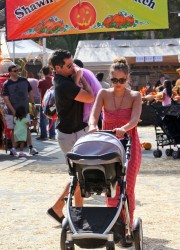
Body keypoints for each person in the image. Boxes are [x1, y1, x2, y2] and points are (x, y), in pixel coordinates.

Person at [88, 57, 142, 230]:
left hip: (129, 143)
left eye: (122, 80)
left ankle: (127, 223)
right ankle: (113, 224)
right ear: (110, 78)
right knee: (110, 185)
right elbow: (94, 115)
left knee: (128, 185)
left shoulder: (135, 95)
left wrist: (124, 128)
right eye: (114, 80)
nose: (118, 83)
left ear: (127, 78)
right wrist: (92, 126)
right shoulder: (103, 94)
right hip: (109, 143)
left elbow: (135, 119)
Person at [47, 49, 94, 224]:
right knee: (81, 177)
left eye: (72, 63)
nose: (73, 67)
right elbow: (89, 98)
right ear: (57, 68)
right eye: (69, 66)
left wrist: (75, 77)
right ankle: (57, 208)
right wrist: (82, 79)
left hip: (74, 131)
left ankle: (79, 212)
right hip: (70, 135)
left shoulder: (63, 79)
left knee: (80, 177)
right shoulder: (64, 84)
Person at [2, 65, 38, 156]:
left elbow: (30, 92)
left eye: (17, 70)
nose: (17, 72)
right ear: (10, 72)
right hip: (12, 112)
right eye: (14, 71)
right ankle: (14, 148)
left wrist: (32, 104)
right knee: (13, 129)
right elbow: (6, 99)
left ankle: (31, 147)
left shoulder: (24, 80)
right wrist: (13, 111)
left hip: (24, 110)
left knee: (26, 128)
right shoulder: (7, 84)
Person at [36, 66, 56, 140]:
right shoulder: (53, 80)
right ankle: (52, 134)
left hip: (44, 103)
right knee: (52, 118)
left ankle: (44, 135)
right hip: (53, 103)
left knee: (43, 119)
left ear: (43, 72)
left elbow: (39, 92)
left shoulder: (41, 81)